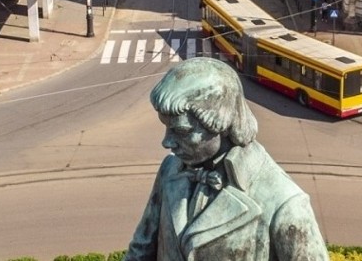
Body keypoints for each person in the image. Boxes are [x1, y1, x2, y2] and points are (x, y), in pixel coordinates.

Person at [123, 58, 329, 261]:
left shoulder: (285, 203)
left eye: (182, 131)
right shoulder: (170, 169)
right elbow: (141, 250)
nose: (167, 142)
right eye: (167, 128)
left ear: (222, 123)